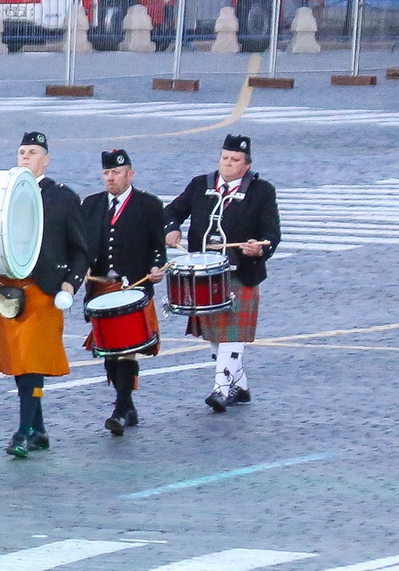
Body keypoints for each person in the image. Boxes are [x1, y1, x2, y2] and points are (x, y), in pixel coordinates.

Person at [0, 131, 90, 459]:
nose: (25, 158)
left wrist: (70, 285)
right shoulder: (2, 193)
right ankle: (39, 429)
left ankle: (22, 432)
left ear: (46, 159)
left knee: (31, 362)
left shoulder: (63, 198)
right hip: (8, 290)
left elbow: (80, 249)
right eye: (21, 152)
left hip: (43, 291)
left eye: (33, 152)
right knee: (21, 364)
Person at [164, 134, 281, 414]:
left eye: (235, 160)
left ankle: (221, 389)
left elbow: (271, 233)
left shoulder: (262, 191)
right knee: (217, 336)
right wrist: (171, 229)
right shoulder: (199, 185)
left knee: (231, 334)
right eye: (225, 158)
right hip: (203, 273)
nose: (228, 163)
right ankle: (239, 385)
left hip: (241, 272)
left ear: (246, 165)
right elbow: (171, 211)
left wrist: (259, 249)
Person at [82, 148, 170, 436]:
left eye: (116, 172)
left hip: (133, 289)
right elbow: (82, 247)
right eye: (107, 173)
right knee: (109, 350)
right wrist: (79, 269)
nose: (111, 177)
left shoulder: (149, 205)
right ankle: (127, 405)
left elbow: (159, 247)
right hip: (101, 288)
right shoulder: (91, 205)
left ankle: (121, 408)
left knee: (127, 350)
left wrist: (157, 269)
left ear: (130, 174)